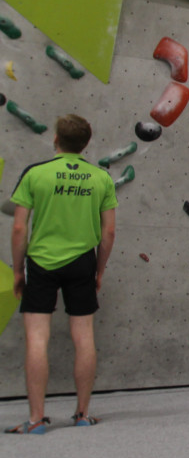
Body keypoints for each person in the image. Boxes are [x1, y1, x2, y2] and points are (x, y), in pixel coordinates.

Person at [6, 115, 117, 434]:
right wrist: (99, 270)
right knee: (84, 337)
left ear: (56, 139)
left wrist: (17, 271)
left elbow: (18, 228)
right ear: (85, 144)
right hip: (82, 261)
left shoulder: (35, 174)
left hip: (41, 262)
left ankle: (36, 419)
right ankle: (82, 414)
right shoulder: (101, 178)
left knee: (37, 338)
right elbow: (108, 233)